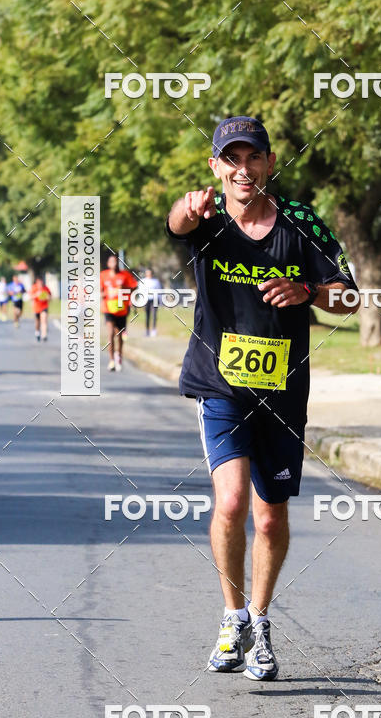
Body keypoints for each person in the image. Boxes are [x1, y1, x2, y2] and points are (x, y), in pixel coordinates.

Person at [166, 116, 358, 681]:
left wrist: (310, 292)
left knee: (271, 518)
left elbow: (348, 298)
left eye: (253, 158)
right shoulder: (207, 218)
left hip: (282, 388)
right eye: (231, 159)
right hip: (218, 383)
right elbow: (176, 224)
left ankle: (261, 619)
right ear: (216, 168)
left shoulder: (299, 223)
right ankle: (231, 616)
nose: (242, 169)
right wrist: (186, 207)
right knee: (230, 503)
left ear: (270, 163)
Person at [100, 255, 137, 371]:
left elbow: (134, 287)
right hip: (108, 309)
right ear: (108, 264)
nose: (114, 264)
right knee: (110, 333)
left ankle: (119, 356)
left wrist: (123, 288)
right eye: (112, 261)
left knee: (119, 335)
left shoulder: (125, 275)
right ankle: (111, 360)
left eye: (116, 261)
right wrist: (106, 294)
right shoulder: (103, 275)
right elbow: (100, 292)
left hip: (122, 309)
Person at [138, 268, 162, 336]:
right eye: (147, 273)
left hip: (154, 299)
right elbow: (140, 292)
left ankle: (154, 330)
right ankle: (147, 330)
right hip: (146, 300)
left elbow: (159, 291)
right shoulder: (142, 281)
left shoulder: (156, 281)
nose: (149, 274)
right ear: (146, 273)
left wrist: (160, 301)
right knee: (147, 316)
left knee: (154, 315)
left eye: (150, 273)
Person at [30, 277, 51, 341]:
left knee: (44, 320)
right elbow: (30, 297)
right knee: (37, 321)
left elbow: (50, 297)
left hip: (44, 306)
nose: (40, 284)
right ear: (37, 282)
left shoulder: (46, 288)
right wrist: (36, 295)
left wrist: (47, 297)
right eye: (39, 282)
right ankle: (37, 332)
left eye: (41, 282)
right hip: (36, 307)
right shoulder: (34, 287)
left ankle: (44, 335)